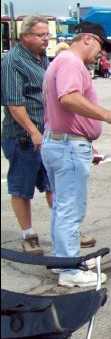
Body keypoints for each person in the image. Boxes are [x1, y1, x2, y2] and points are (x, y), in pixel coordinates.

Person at [41, 21, 111, 287]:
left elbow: (63, 108)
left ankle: (63, 260)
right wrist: (107, 114)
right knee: (70, 209)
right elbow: (68, 97)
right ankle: (69, 270)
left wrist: (85, 136)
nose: (101, 55)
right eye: (100, 49)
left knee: (62, 207)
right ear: (88, 39)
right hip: (67, 146)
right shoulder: (71, 62)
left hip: (61, 141)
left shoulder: (60, 60)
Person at [1, 15, 53, 254]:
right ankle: (28, 235)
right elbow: (14, 103)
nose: (46, 39)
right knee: (22, 189)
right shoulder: (12, 62)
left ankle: (64, 229)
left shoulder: (41, 58)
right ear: (25, 36)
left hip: (45, 135)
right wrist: (33, 132)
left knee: (53, 184)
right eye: (41, 35)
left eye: (47, 34)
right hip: (23, 137)